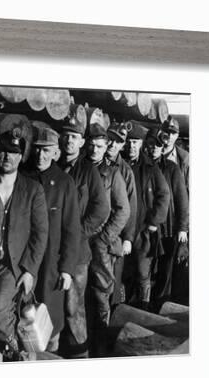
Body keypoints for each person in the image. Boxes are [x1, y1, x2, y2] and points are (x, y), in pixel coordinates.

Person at [0, 128, 49, 361]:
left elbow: (40, 234)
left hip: (14, 265)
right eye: (2, 151)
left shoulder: (33, 190)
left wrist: (29, 270)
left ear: (21, 156)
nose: (7, 156)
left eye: (13, 152)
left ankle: (14, 348)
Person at [25, 126, 81, 353]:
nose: (41, 155)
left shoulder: (64, 182)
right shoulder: (24, 178)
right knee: (27, 318)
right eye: (37, 149)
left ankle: (51, 357)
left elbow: (72, 229)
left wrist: (67, 269)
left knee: (52, 321)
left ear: (56, 153)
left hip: (52, 264)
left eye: (46, 150)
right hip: (27, 261)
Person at [58, 119, 109, 358]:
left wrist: (78, 234)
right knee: (53, 305)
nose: (69, 140)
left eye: (74, 137)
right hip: (52, 250)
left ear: (81, 142)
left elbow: (101, 209)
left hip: (77, 254)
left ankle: (80, 356)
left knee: (73, 306)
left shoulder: (88, 171)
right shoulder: (52, 166)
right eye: (66, 136)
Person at [85, 123, 130, 355]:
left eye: (99, 146)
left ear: (106, 149)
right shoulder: (79, 169)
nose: (95, 150)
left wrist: (104, 238)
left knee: (101, 294)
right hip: (80, 241)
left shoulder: (113, 174)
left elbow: (123, 210)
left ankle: (101, 347)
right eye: (91, 145)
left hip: (102, 244)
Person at [122, 122, 170, 309]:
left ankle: (143, 312)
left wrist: (153, 222)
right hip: (123, 230)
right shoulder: (121, 164)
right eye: (129, 142)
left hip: (143, 231)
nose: (131, 146)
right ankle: (123, 311)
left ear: (141, 144)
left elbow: (164, 194)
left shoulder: (150, 167)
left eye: (135, 142)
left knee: (143, 275)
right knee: (123, 274)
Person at [146, 127, 189, 304]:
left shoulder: (172, 169)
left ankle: (160, 309)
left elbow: (182, 201)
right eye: (150, 145)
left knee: (165, 273)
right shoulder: (142, 166)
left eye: (157, 145)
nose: (154, 148)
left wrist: (182, 228)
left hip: (167, 231)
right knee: (146, 271)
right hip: (146, 228)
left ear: (162, 147)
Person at [105, 122, 138, 305]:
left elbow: (131, 207)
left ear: (122, 145)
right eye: (110, 140)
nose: (112, 145)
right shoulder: (94, 163)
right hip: (97, 232)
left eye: (117, 142)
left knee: (113, 281)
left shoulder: (125, 171)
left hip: (115, 236)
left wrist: (128, 238)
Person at [159, 116, 189, 192]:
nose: (170, 136)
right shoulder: (154, 152)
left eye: (173, 133)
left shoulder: (184, 158)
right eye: (167, 131)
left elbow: (188, 185)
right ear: (161, 132)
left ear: (177, 135)